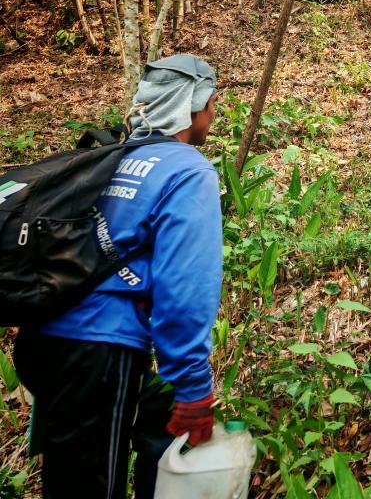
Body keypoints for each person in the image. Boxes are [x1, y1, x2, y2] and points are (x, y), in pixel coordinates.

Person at [15, 54, 223, 498]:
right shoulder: (187, 171)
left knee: (70, 481)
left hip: (43, 340)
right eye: (211, 102)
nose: (213, 113)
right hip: (100, 350)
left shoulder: (111, 157)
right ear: (194, 104)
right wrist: (192, 389)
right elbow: (184, 293)